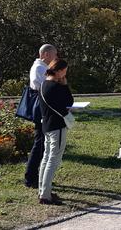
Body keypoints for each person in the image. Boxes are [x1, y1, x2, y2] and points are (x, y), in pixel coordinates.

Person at [38, 59, 73, 205]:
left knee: (46, 158)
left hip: (47, 125)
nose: (65, 73)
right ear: (58, 70)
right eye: (64, 70)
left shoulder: (43, 84)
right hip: (57, 126)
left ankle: (43, 190)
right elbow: (69, 102)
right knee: (53, 160)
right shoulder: (55, 87)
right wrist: (65, 85)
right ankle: (45, 195)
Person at [24, 44, 57, 189]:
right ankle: (30, 177)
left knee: (42, 144)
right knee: (39, 143)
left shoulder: (42, 67)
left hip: (44, 108)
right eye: (53, 55)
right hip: (41, 110)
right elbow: (44, 87)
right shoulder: (39, 68)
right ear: (45, 54)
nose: (55, 59)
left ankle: (37, 175)